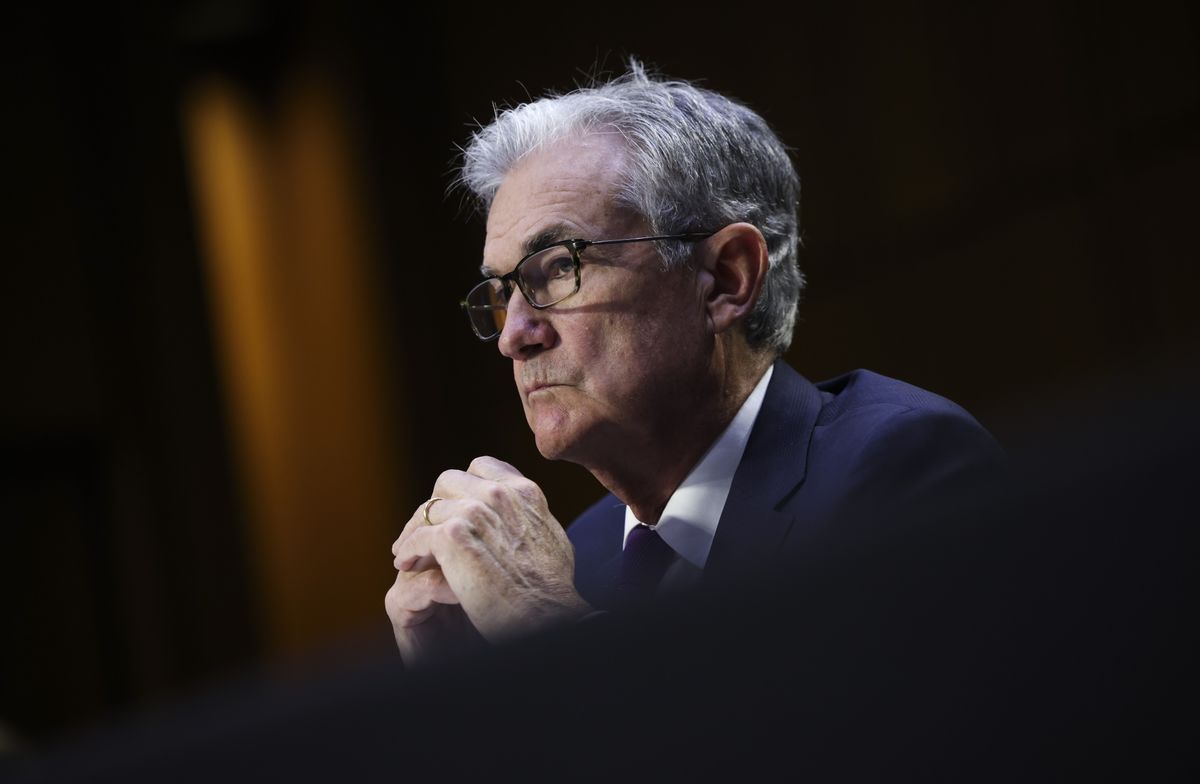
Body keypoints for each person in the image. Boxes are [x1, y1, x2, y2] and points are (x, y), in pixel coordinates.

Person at [386, 62, 1004, 665]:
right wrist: (465, 690)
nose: (514, 337)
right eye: (503, 291)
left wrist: (550, 631)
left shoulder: (900, 471)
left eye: (560, 266)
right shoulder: (577, 557)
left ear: (725, 279)